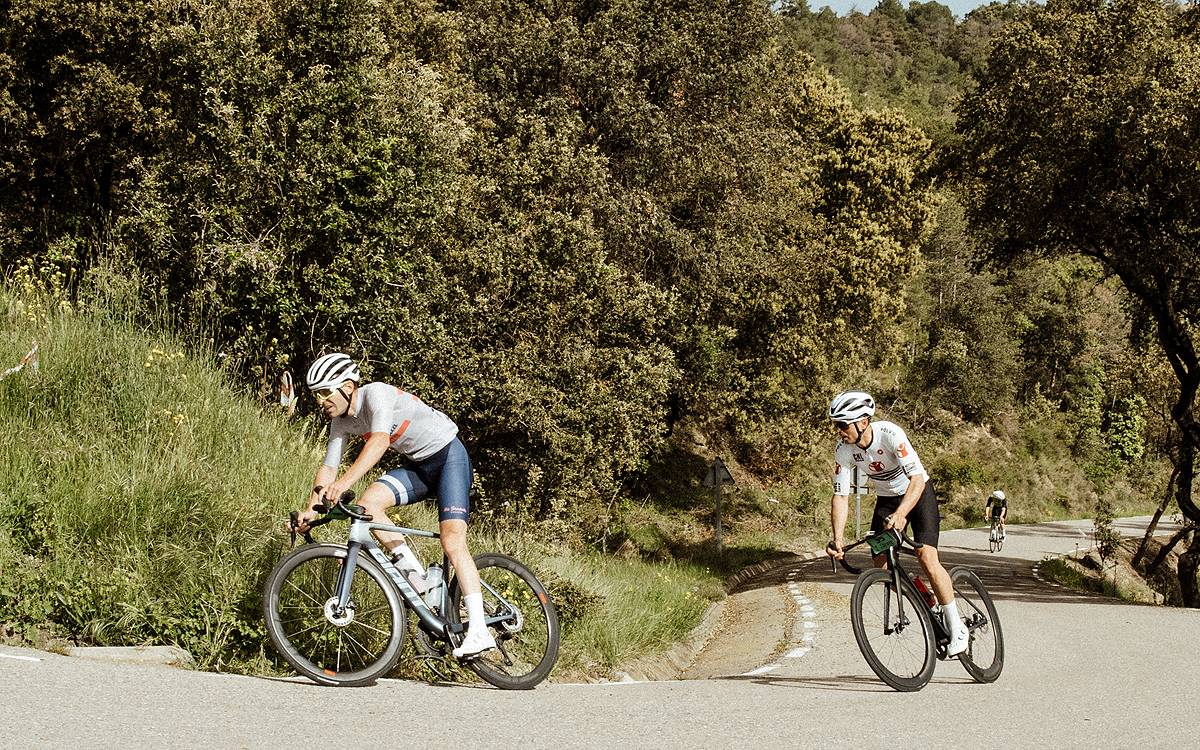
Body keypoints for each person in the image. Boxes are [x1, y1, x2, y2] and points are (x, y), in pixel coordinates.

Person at [291, 352, 496, 658]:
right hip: (420, 467)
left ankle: (479, 630)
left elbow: (379, 442)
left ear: (347, 386)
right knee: (368, 505)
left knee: (452, 541)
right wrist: (311, 508)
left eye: (324, 392)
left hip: (449, 457)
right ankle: (420, 580)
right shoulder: (341, 421)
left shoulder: (378, 394)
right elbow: (328, 468)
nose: (321, 401)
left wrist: (343, 484)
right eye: (316, 395)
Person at [824, 390, 969, 657]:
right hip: (887, 499)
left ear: (863, 422)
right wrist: (839, 539)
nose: (839, 431)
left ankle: (957, 626)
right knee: (880, 561)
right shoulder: (844, 451)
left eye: (843, 425)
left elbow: (916, 479)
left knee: (926, 556)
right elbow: (841, 495)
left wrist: (902, 515)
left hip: (917, 493)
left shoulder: (890, 434)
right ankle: (924, 594)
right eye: (836, 425)